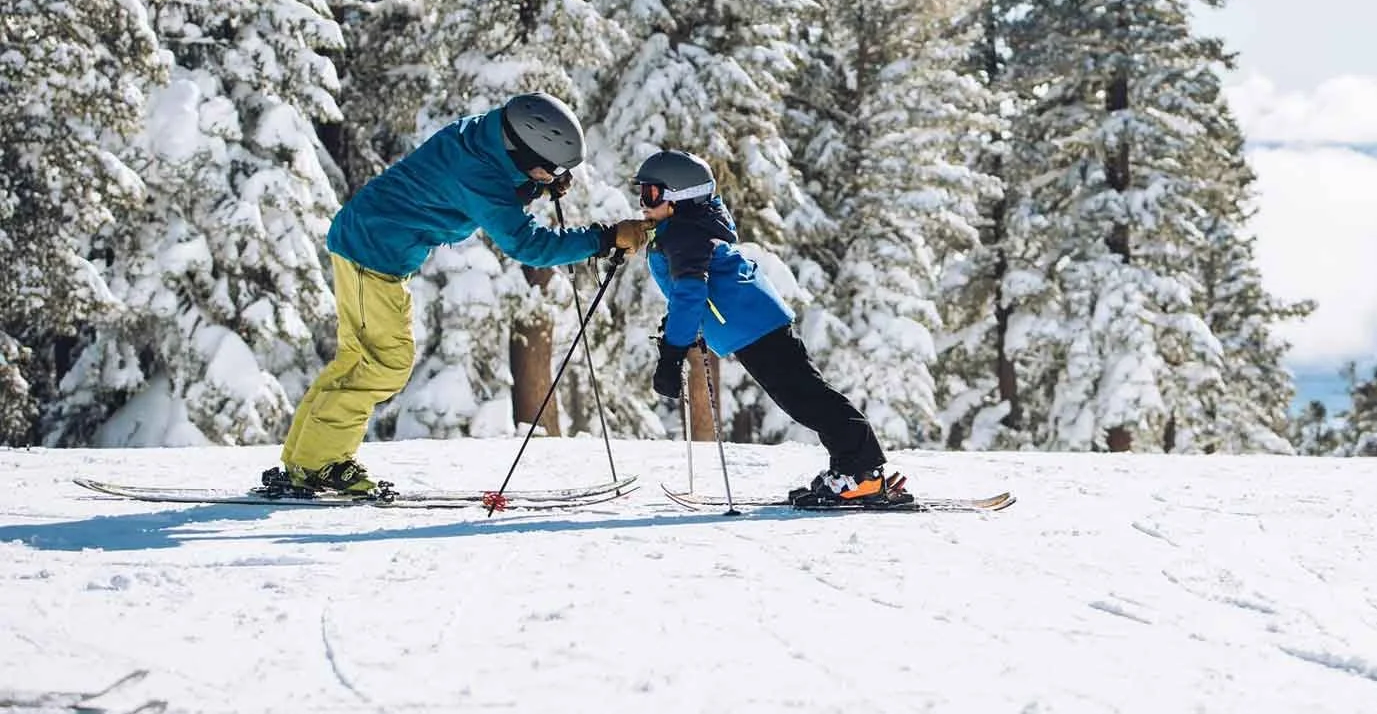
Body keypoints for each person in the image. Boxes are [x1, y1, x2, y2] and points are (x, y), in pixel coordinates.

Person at [268, 93, 650, 496]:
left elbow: (499, 184)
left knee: (359, 359)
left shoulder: (485, 135)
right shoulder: (479, 172)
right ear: (523, 150)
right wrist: (604, 238)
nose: (552, 175)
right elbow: (527, 244)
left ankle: (306, 458)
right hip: (373, 254)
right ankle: (319, 463)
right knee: (385, 364)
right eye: (550, 167)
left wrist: (538, 183)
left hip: (368, 242)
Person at [633, 148, 902, 507]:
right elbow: (691, 293)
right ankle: (851, 468)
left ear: (680, 197)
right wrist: (678, 330)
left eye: (651, 194)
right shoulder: (684, 231)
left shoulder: (683, 235)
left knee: (806, 399)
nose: (642, 202)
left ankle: (863, 473)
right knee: (805, 396)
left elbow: (691, 292)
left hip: (754, 325)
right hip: (753, 322)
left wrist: (672, 353)